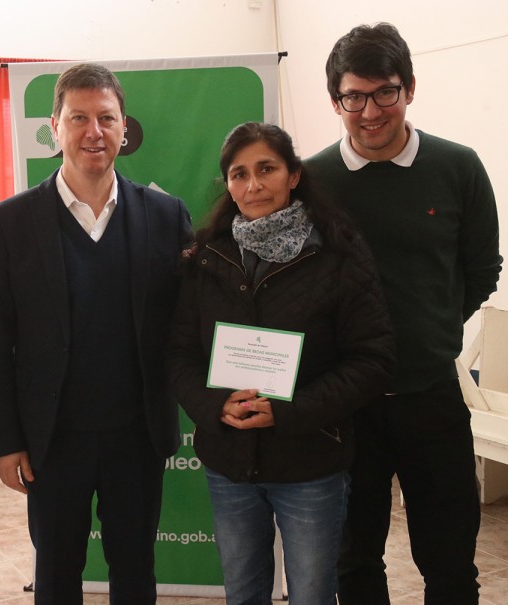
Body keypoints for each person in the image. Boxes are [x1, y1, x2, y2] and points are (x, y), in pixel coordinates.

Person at [0, 62, 192, 604]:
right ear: (55, 127)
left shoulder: (166, 216)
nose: (94, 132)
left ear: (124, 128)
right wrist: (6, 441)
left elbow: (189, 324)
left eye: (106, 118)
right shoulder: (11, 222)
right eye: (78, 118)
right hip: (51, 441)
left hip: (136, 437)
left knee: (135, 573)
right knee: (55, 575)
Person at [305, 23, 503, 605]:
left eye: (385, 92)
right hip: (348, 406)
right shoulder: (313, 181)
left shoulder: (458, 167)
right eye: (354, 97)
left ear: (409, 88)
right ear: (336, 101)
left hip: (431, 397)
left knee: (451, 564)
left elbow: (482, 268)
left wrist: (431, 326)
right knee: (353, 562)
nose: (370, 112)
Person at [167, 121, 395, 605]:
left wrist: (290, 411)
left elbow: (372, 359)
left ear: (293, 175)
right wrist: (214, 406)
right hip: (229, 462)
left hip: (311, 461)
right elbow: (180, 353)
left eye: (266, 169)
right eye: (239, 174)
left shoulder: (338, 253)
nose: (253, 185)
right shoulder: (206, 258)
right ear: (228, 185)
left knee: (312, 595)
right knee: (242, 593)